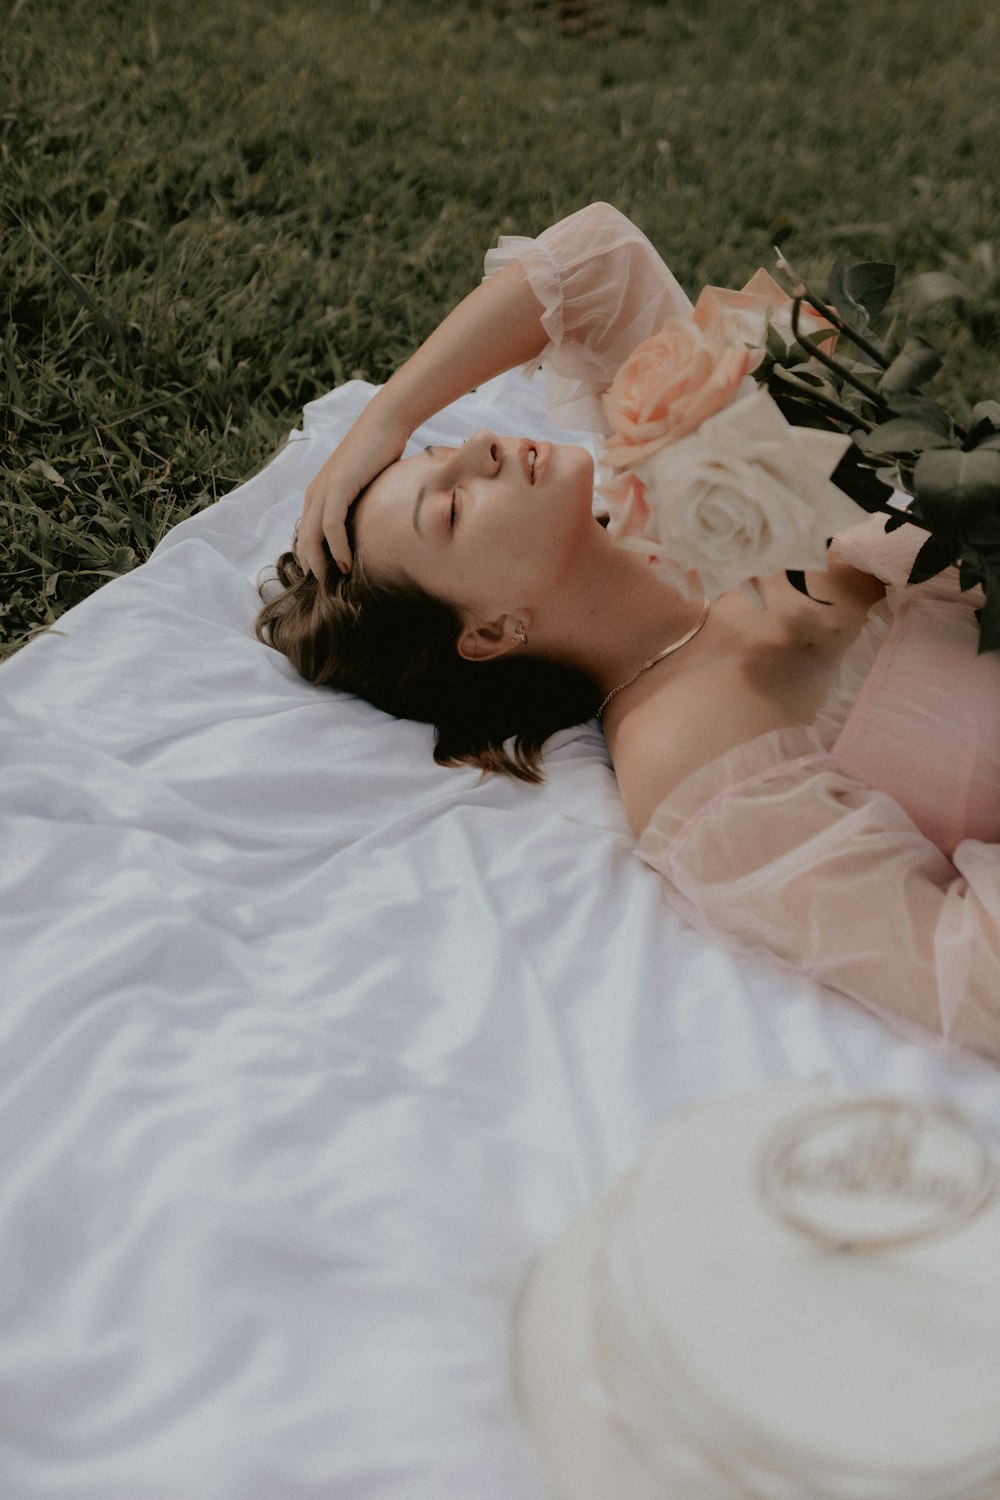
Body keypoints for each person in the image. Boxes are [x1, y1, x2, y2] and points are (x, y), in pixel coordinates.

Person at [256, 202, 1000, 1064]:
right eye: (452, 506)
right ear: (492, 633)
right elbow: (965, 972)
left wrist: (385, 419)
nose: (481, 450)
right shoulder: (689, 766)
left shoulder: (681, 474)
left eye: (439, 451)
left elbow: (597, 257)